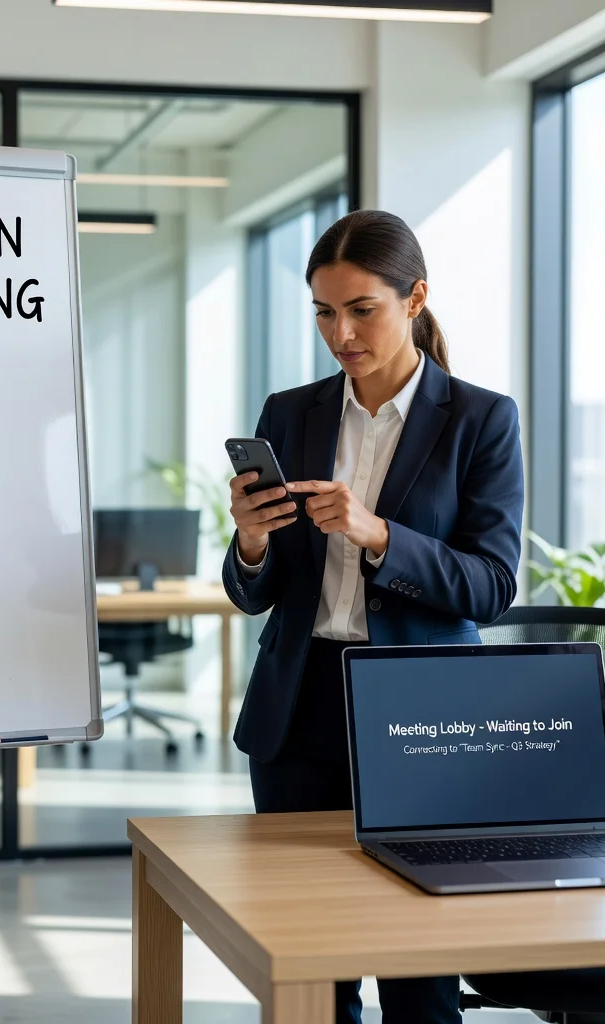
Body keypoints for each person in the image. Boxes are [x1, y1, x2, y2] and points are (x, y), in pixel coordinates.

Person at [222, 209, 524, 1024]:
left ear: (415, 298)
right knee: (310, 971)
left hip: (420, 718)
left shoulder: (481, 420)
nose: (341, 334)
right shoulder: (291, 412)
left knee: (417, 975)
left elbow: (492, 586)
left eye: (362, 310)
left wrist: (378, 534)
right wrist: (251, 542)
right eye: (324, 312)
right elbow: (254, 591)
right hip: (298, 707)